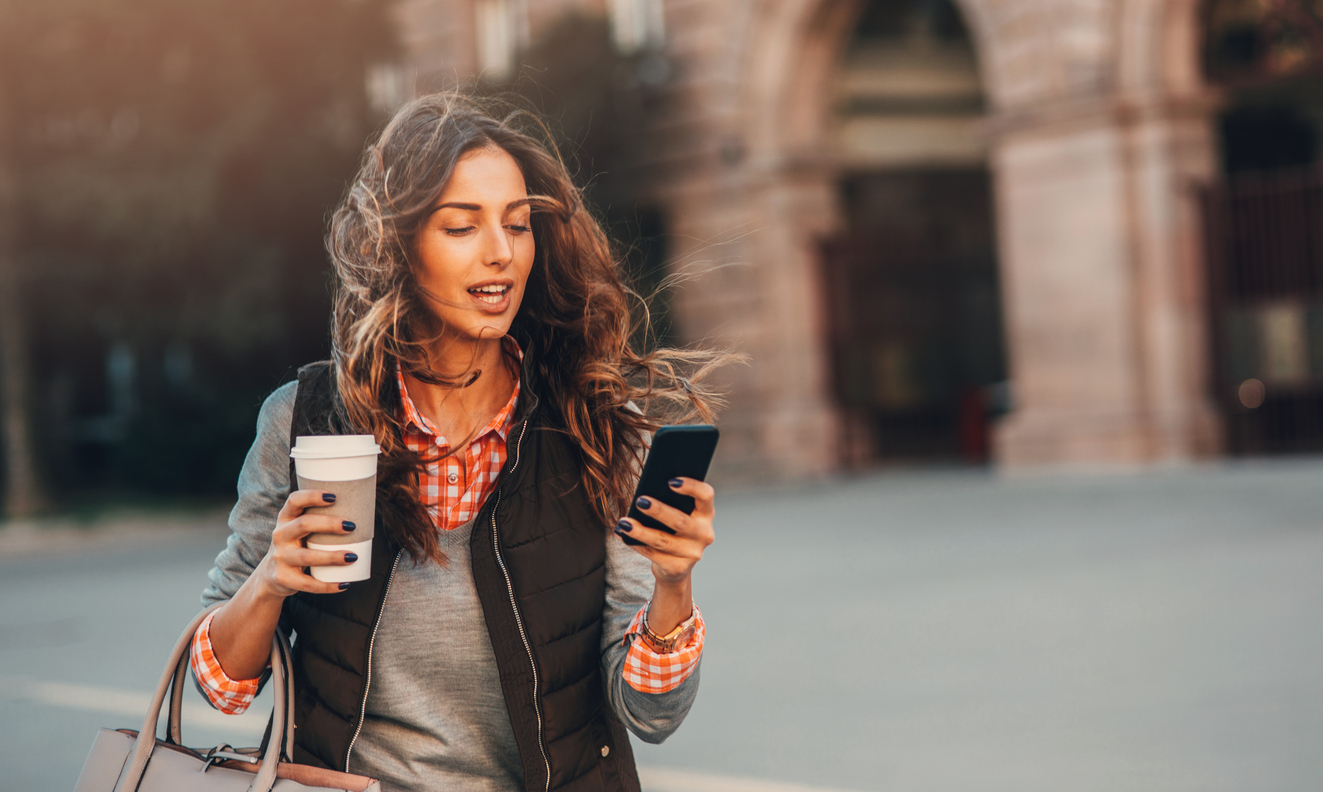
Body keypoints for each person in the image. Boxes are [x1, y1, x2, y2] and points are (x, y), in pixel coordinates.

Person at [190, 93, 728, 792]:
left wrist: (673, 585)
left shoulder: (596, 429)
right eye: (461, 226)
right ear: (401, 245)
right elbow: (222, 687)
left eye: (517, 224)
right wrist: (269, 582)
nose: (500, 253)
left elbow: (649, 714)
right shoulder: (305, 422)